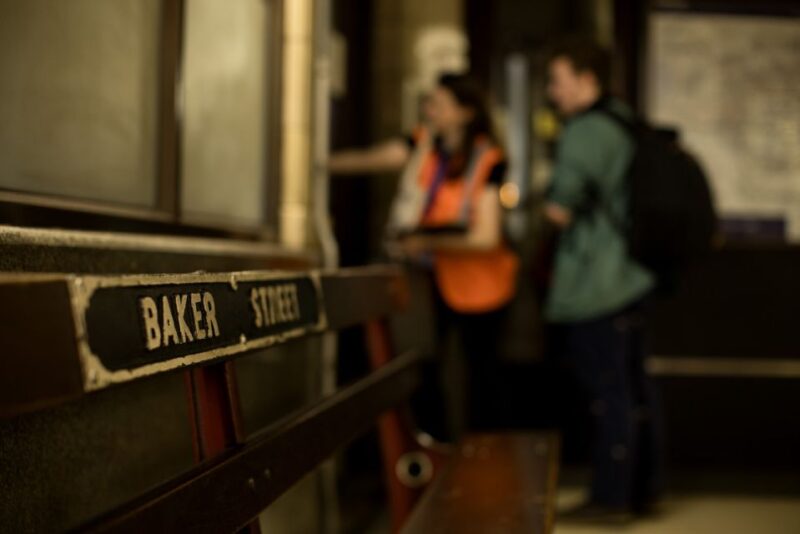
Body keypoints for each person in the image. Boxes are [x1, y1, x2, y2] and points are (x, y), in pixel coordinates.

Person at [329, 73, 519, 438]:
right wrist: (311, 163)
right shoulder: (425, 145)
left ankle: (490, 463)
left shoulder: (488, 159)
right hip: (436, 278)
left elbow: (486, 238)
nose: (428, 110)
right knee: (429, 369)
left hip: (483, 286)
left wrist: (425, 243)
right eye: (428, 103)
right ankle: (439, 451)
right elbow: (375, 158)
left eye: (438, 105)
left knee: (481, 375)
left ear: (464, 112)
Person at [543, 38, 662, 521]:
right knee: (634, 389)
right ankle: (642, 489)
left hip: (600, 283)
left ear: (586, 80)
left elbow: (559, 208)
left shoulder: (587, 130)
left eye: (558, 80)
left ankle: (611, 497)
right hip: (631, 277)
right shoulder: (623, 120)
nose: (552, 92)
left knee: (608, 393)